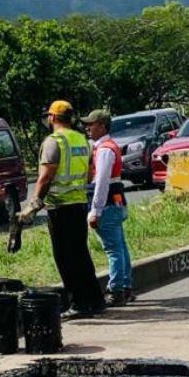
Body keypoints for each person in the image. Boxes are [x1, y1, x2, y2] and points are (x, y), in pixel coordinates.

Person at [18, 100, 105, 315]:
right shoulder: (82, 140)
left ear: (52, 118)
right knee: (81, 254)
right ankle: (95, 300)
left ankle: (78, 303)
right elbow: (87, 173)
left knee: (65, 257)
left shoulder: (53, 141)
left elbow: (45, 176)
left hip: (60, 206)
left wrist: (34, 201)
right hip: (78, 202)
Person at [81, 109, 134, 306]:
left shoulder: (104, 150)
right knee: (120, 247)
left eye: (91, 124)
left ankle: (116, 290)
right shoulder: (109, 146)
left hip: (108, 204)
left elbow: (101, 183)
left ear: (102, 126)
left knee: (113, 250)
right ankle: (126, 287)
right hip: (117, 201)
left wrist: (95, 211)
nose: (87, 128)